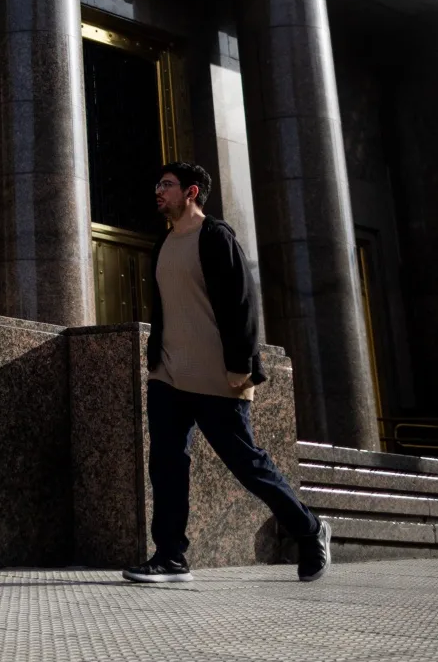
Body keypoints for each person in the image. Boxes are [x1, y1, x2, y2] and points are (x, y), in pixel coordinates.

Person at [121, 161, 331, 585]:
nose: (159, 190)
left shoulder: (216, 237)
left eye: (167, 184)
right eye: (158, 183)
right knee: (166, 466)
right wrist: (155, 358)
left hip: (217, 374)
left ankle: (309, 529)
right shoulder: (164, 243)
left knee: (247, 464)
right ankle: (170, 556)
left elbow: (243, 303)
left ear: (191, 192)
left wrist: (242, 365)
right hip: (168, 375)